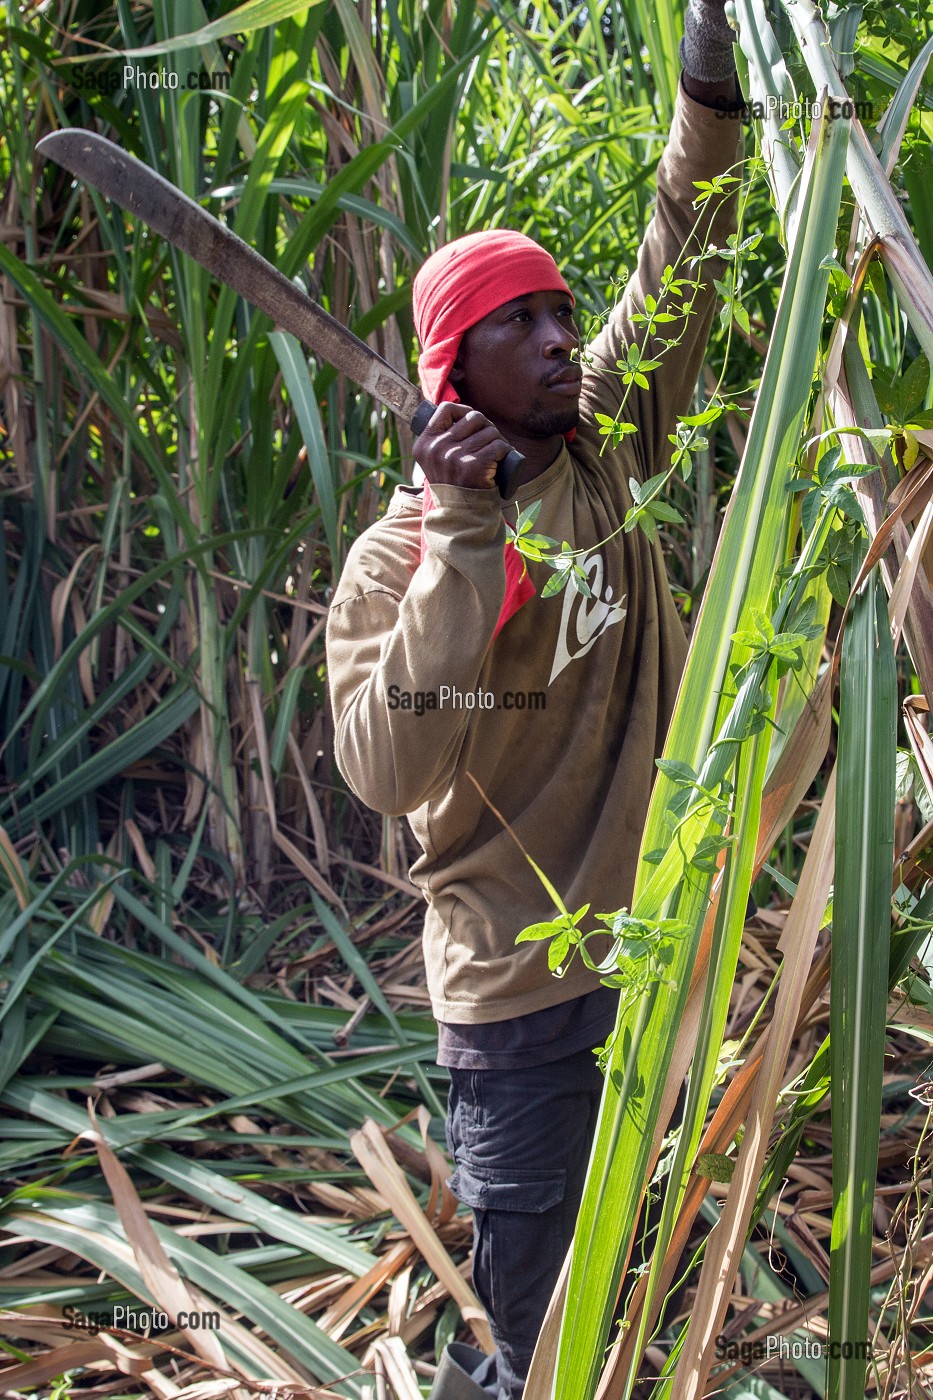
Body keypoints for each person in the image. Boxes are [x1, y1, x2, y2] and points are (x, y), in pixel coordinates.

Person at [326, 4, 744, 1395]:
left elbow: (681, 253)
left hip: (652, 950)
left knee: (634, 1289)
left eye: (564, 310)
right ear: (455, 370)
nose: (566, 339)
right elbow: (386, 773)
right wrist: (460, 535)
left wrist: (709, 71)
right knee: (536, 1336)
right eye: (523, 323)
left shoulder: (602, 441)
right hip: (517, 989)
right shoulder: (397, 555)